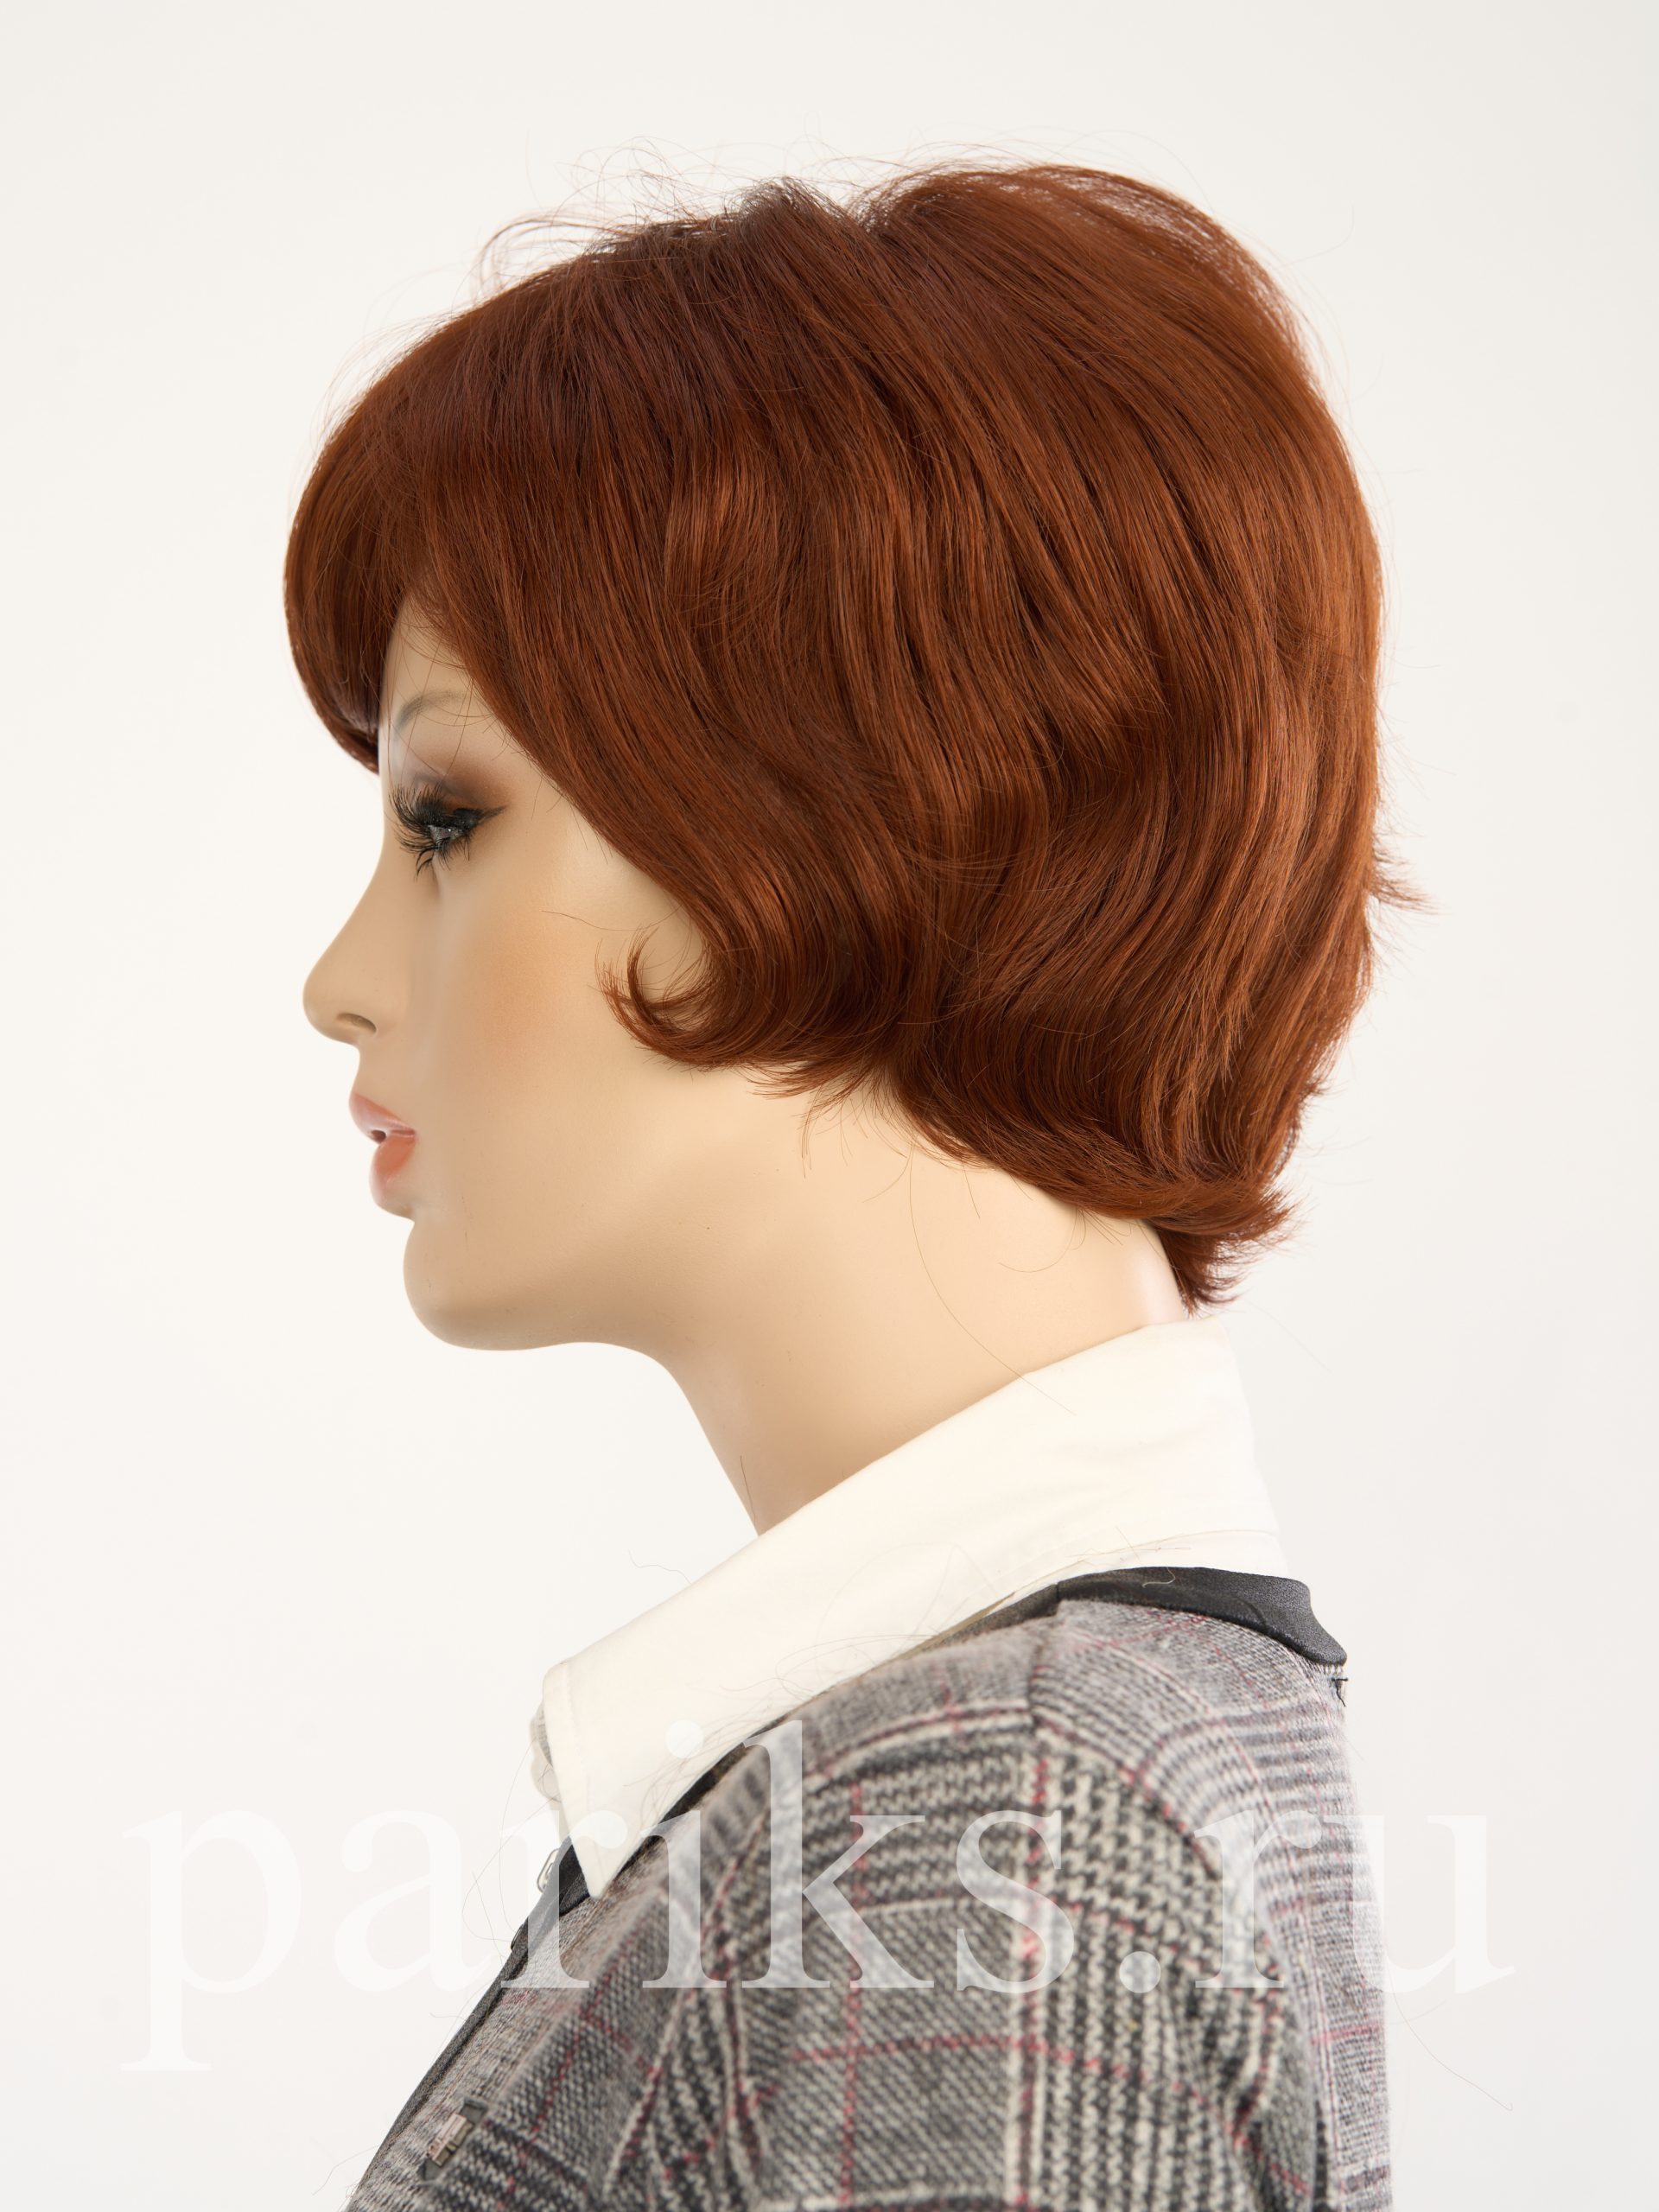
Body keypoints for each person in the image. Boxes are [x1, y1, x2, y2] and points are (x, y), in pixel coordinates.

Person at [294, 158, 1414, 2209]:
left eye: (446, 817)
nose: (339, 979)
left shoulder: (1001, 1832)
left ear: (828, 832)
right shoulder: (1046, 1751)